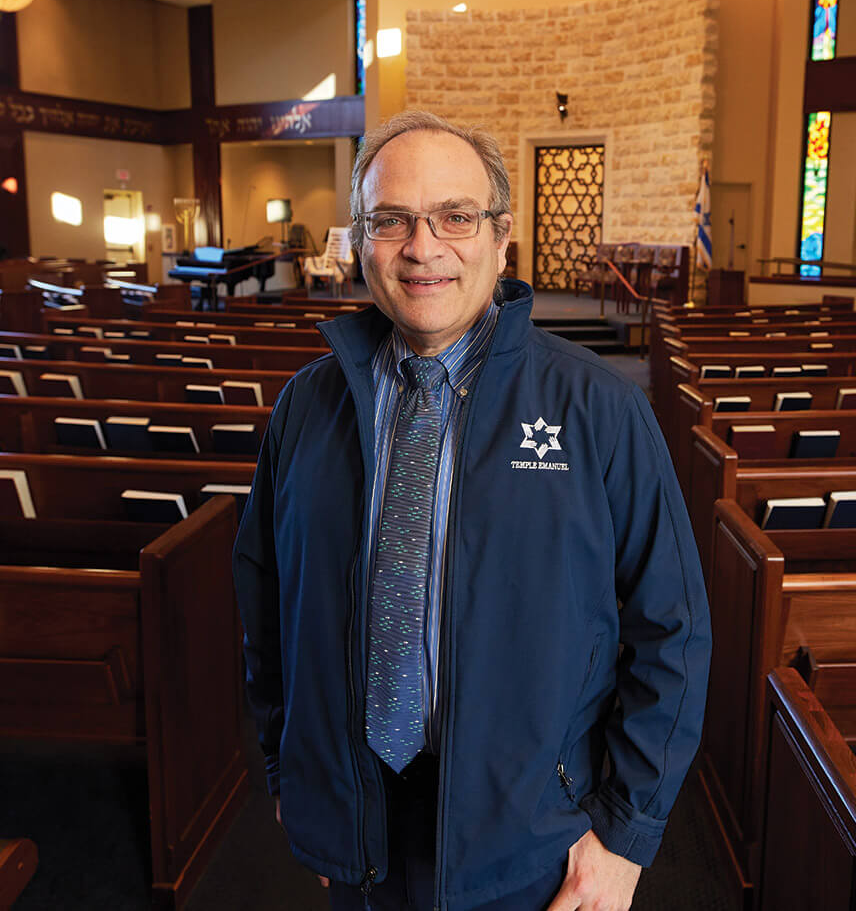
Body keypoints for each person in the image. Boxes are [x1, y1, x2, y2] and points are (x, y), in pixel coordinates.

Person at [232, 110, 712, 911]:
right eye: (392, 220)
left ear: (500, 235)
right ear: (362, 238)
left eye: (455, 216)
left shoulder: (597, 407)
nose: (424, 248)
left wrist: (626, 835)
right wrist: (295, 773)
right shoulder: (305, 409)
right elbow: (267, 604)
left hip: (532, 835)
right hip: (357, 822)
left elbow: (675, 630)